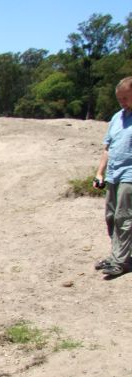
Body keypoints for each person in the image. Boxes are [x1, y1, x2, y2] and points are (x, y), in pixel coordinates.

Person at [94, 76, 132, 279]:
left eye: (126, 98)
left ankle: (121, 261)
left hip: (130, 175)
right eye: (119, 99)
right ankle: (117, 253)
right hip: (113, 174)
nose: (122, 102)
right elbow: (108, 148)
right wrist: (100, 172)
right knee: (110, 217)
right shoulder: (117, 118)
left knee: (123, 218)